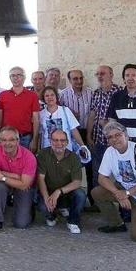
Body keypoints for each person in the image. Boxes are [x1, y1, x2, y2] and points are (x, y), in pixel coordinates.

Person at [0, 126, 37, 233]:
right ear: (0, 140)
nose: (7, 143)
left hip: (23, 187)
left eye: (11, 140)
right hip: (13, 182)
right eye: (4, 140)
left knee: (21, 223)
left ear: (18, 141)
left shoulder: (29, 157)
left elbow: (24, 185)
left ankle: (29, 206)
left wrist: (2, 176)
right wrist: (16, 176)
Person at [36, 130, 86, 234]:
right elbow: (40, 178)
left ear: (67, 142)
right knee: (42, 206)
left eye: (62, 140)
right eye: (55, 140)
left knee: (81, 195)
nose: (59, 143)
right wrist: (46, 198)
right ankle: (53, 215)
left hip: (66, 193)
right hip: (48, 191)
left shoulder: (74, 157)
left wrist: (59, 191)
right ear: (50, 141)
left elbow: (77, 182)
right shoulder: (43, 154)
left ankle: (73, 221)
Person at [60, 69, 95, 207]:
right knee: (70, 167)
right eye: (75, 79)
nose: (79, 81)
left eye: (81, 78)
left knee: (91, 167)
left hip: (88, 132)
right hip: (71, 134)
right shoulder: (63, 95)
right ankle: (68, 200)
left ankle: (93, 201)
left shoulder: (91, 93)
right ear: (69, 80)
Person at [86, 65, 121, 188]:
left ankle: (123, 203)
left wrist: (107, 123)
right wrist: (89, 135)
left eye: (103, 73)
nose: (100, 76)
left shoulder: (120, 92)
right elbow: (92, 115)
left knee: (120, 174)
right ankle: (99, 204)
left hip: (116, 141)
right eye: (98, 74)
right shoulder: (96, 93)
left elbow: (122, 118)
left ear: (111, 75)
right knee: (98, 173)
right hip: (98, 140)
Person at [0, 67, 40, 153]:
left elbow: (36, 119)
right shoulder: (3, 95)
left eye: (19, 75)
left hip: (25, 138)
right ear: (10, 78)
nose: (15, 78)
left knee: (25, 164)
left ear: (24, 77)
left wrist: (34, 140)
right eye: (13, 75)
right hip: (6, 139)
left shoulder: (32, 96)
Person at [37, 86, 85, 151]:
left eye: (52, 95)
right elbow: (40, 134)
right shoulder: (41, 114)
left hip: (65, 150)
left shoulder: (65, 110)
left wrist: (82, 146)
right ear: (43, 98)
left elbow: (74, 130)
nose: (50, 97)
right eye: (47, 96)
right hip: (47, 151)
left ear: (56, 96)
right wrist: (38, 150)